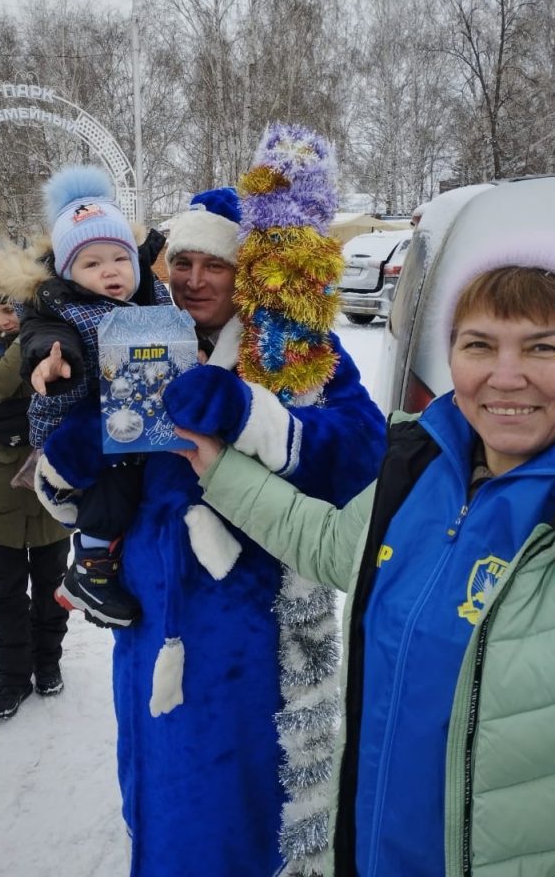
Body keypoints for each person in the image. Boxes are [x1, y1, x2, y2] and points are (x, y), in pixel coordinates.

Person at [41, 168, 388, 876]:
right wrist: (72, 454)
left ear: (245, 274)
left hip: (251, 635)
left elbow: (360, 449)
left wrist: (244, 412)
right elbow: (81, 490)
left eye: (216, 265)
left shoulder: (291, 350)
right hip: (145, 620)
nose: (195, 280)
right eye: (183, 263)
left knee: (239, 813)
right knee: (159, 798)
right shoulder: (129, 335)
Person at [176, 249, 555, 877]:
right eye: (480, 345)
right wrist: (219, 469)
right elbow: (330, 545)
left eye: (542, 348)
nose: (506, 376)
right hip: (377, 847)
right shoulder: (418, 469)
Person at [13, 163, 171, 629]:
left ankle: (112, 555)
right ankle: (90, 570)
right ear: (68, 271)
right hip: (72, 411)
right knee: (115, 482)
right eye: (92, 263)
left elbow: (174, 337)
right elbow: (39, 337)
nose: (110, 272)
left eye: (119, 259)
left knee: (137, 480)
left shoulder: (150, 296)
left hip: (131, 413)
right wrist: (53, 362)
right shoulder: (59, 306)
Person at [0, 270, 70, 721]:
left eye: (14, 309)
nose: (5, 319)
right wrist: (27, 336)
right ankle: (12, 678)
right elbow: (2, 384)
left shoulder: (56, 343)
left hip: (50, 483)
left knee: (51, 587)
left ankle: (48, 663)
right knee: (5, 593)